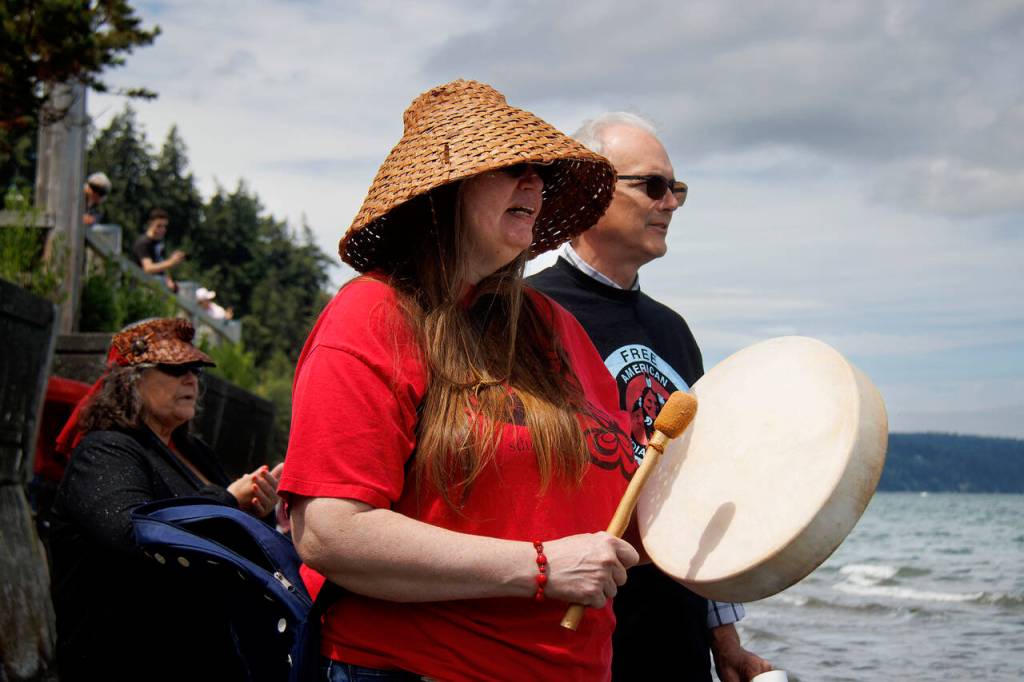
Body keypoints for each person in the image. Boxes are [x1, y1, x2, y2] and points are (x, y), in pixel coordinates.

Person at [279, 80, 640, 682]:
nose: (535, 183)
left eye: (540, 173)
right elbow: (330, 532)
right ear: (441, 192)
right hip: (414, 668)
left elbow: (627, 490)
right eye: (511, 168)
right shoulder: (371, 315)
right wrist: (541, 567)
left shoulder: (553, 326)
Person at [528, 113, 773, 682]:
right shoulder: (525, 315)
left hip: (677, 636)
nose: (670, 204)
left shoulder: (675, 332)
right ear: (587, 191)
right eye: (653, 186)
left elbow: (696, 495)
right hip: (569, 636)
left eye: (678, 189)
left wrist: (726, 642)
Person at [49, 318, 283, 681]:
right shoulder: (104, 450)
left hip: (201, 653)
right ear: (131, 380)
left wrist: (257, 510)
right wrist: (226, 499)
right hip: (127, 658)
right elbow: (132, 532)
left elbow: (226, 535)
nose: (191, 379)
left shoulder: (195, 451)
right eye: (176, 369)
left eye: (195, 370)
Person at [132, 208, 185, 292]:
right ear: (150, 223)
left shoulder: (159, 243)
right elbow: (148, 268)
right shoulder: (143, 243)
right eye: (159, 226)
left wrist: (169, 281)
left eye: (164, 226)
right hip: (142, 289)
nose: (163, 229)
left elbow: (161, 264)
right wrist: (171, 262)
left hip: (156, 288)